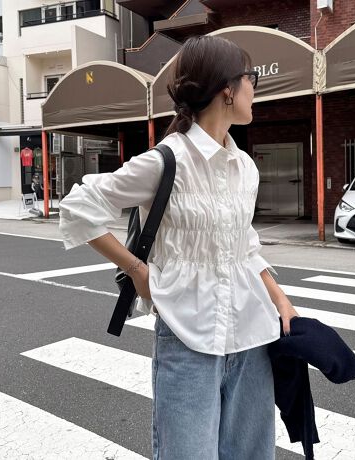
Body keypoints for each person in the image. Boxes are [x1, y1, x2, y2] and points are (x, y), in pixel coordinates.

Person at [58, 35, 298, 460]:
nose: (255, 88)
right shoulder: (166, 161)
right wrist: (137, 269)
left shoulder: (245, 167)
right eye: (251, 78)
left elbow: (244, 245)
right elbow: (79, 206)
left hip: (251, 338)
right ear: (227, 89)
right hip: (187, 338)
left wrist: (281, 300)